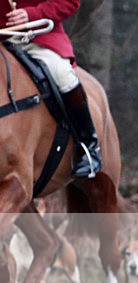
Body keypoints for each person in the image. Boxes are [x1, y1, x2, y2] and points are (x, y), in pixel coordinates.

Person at [2, 0, 102, 178]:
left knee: (63, 76)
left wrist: (31, 14)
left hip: (37, 35)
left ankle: (88, 147)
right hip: (2, 39)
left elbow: (70, 2)